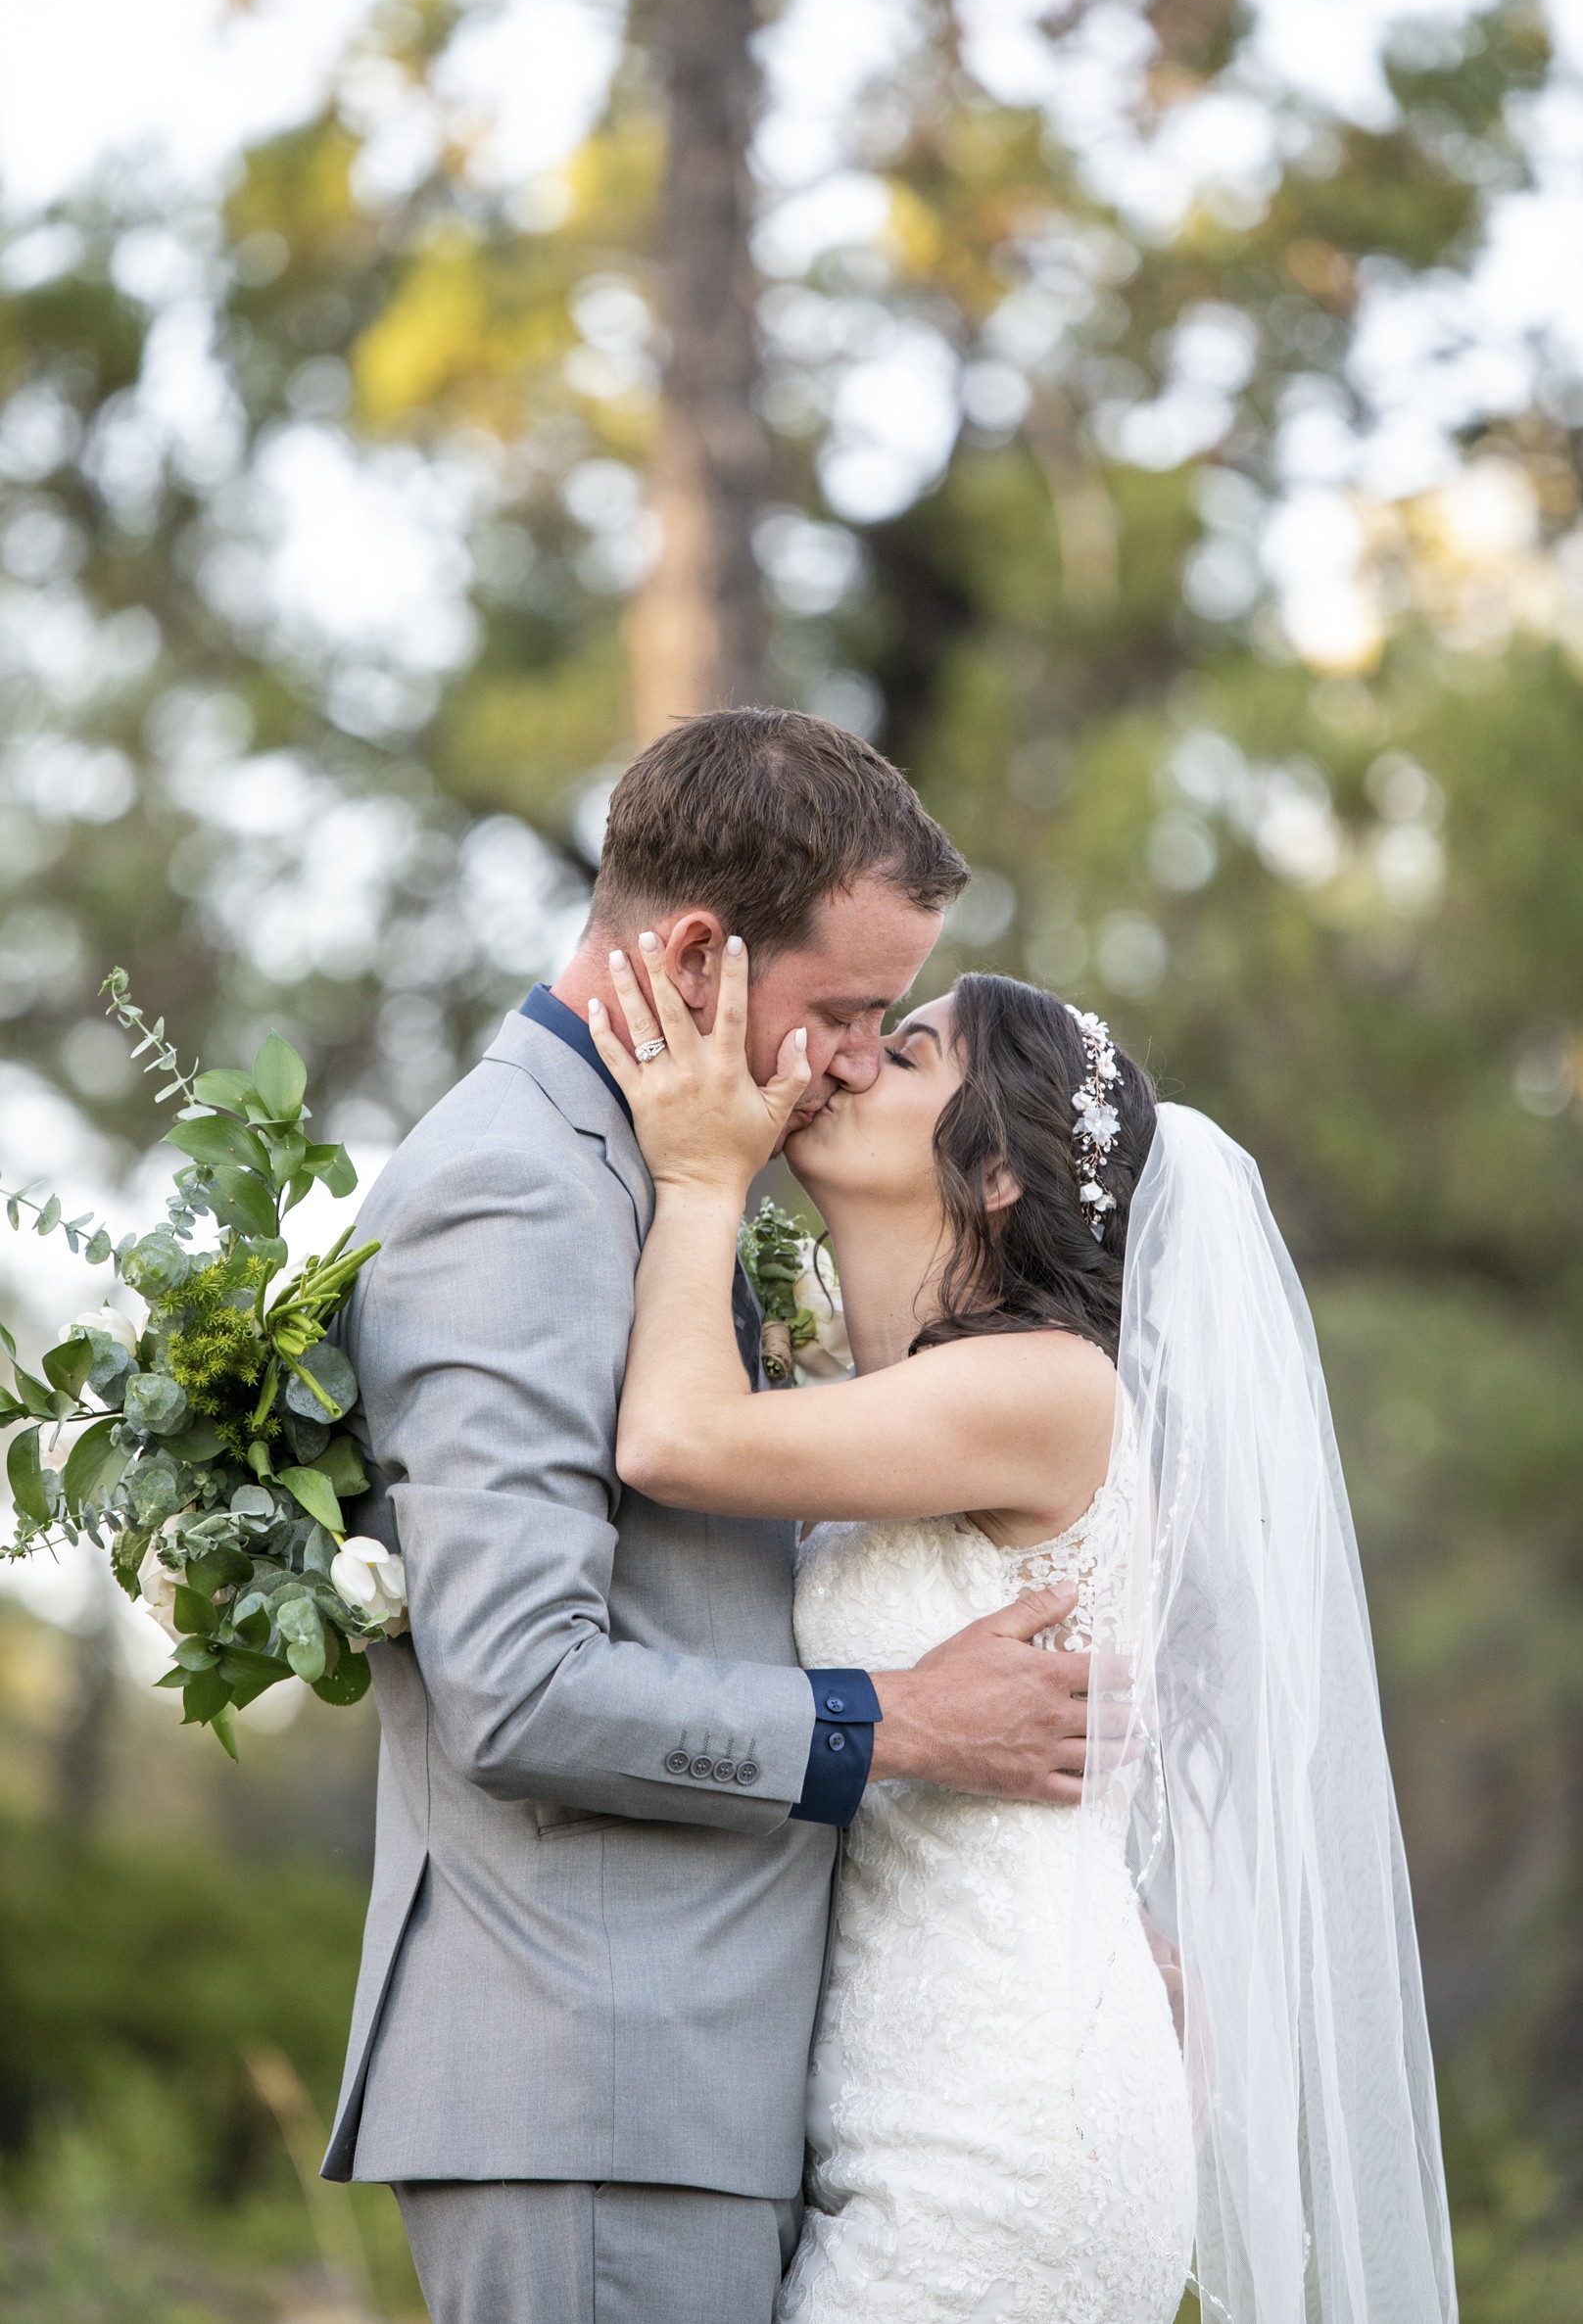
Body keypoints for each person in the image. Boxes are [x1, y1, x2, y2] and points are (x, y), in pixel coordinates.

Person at [320, 711, 1107, 2324]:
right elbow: (521, 1686)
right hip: (603, 2081)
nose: (843, 1061)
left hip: (691, 2088)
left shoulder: (658, 1180)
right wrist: (896, 1717)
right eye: (847, 1012)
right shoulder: (523, 1188)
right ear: (697, 955)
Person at [587, 936, 1460, 2324]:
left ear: (997, 1175)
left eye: (912, 1049)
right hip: (923, 2094)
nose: (858, 1055)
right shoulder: (907, 1406)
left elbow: (676, 1436)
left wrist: (700, 1177)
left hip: (1001, 2126)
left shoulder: (1047, 1389)